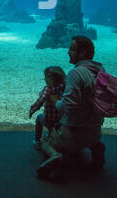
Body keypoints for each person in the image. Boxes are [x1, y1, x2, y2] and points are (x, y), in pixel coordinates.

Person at [37, 36, 106, 179]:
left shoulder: (76, 73)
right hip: (95, 132)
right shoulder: (100, 70)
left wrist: (55, 101)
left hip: (72, 134)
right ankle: (97, 149)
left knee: (44, 140)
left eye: (72, 49)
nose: (68, 52)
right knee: (93, 141)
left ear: (82, 53)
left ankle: (55, 155)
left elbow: (69, 105)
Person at [29, 66, 66, 150]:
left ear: (50, 78)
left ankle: (37, 141)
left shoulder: (47, 89)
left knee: (39, 119)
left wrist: (32, 110)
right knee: (53, 131)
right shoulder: (62, 86)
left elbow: (40, 101)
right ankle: (53, 139)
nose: (44, 79)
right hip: (60, 118)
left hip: (49, 118)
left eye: (45, 77)